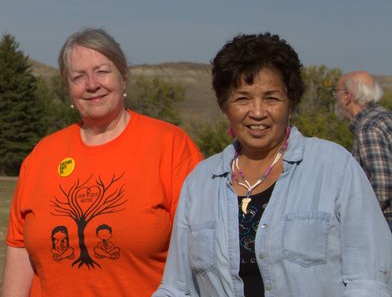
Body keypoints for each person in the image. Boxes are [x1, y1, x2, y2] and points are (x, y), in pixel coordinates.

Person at [155, 33, 392, 296]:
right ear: (225, 106)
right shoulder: (200, 183)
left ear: (291, 103)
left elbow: (369, 281)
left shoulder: (335, 168)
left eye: (271, 98)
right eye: (242, 99)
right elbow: (177, 287)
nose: (257, 112)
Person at [1, 28, 203, 296]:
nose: (92, 84)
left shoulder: (170, 146)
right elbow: (19, 249)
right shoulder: (42, 155)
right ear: (68, 88)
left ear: (124, 77)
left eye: (102, 71)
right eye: (79, 76)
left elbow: (200, 249)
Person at [335, 71, 392, 231]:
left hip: (385, 222)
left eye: (336, 92)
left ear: (347, 96)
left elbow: (382, 188)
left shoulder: (369, 127)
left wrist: (357, 222)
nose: (335, 98)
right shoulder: (385, 117)